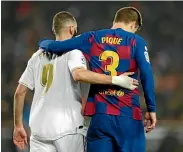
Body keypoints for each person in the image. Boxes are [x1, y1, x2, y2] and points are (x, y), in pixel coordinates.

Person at [13, 11, 139, 152]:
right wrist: (116, 79)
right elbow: (78, 74)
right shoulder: (74, 52)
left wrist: (18, 126)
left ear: (54, 29)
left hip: (39, 131)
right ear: (72, 29)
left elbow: (19, 93)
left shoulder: (37, 56)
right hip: (68, 129)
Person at [39, 7, 157, 152]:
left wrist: (43, 43)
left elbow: (56, 46)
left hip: (100, 117)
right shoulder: (136, 41)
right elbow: (146, 73)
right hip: (128, 116)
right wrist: (151, 108)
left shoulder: (93, 38)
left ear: (115, 21)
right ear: (133, 25)